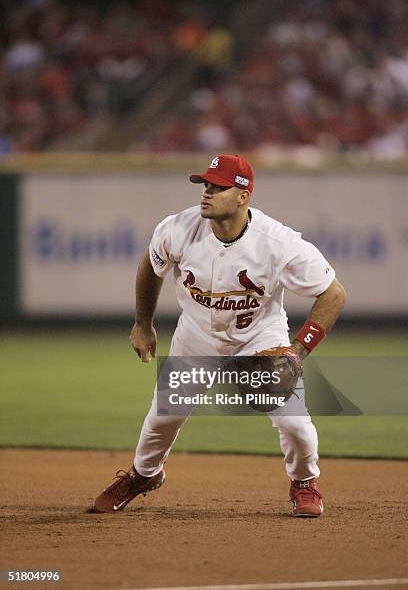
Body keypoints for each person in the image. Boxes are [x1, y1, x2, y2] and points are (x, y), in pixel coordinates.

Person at [93, 154, 346, 516]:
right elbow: (151, 265)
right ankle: (144, 474)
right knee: (163, 416)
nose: (207, 192)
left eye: (218, 186)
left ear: (242, 196)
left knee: (293, 422)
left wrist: (297, 352)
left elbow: (333, 293)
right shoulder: (178, 228)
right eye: (205, 184)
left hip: (260, 337)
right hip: (196, 337)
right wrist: (143, 323)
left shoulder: (278, 243)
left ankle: (305, 482)